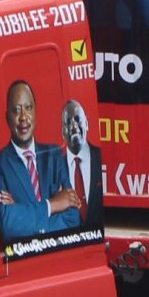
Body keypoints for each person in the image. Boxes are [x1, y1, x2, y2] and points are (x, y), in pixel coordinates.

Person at [0, 79, 82, 244]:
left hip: (58, 258)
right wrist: (52, 205)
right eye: (16, 110)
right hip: (22, 263)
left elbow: (73, 218)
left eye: (28, 108)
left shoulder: (55, 155)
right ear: (7, 117)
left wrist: (21, 210)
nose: (23, 117)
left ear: (36, 112)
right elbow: (7, 224)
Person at [60, 98, 104, 230]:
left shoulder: (101, 159)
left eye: (77, 119)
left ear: (87, 123)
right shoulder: (55, 169)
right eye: (68, 122)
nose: (73, 126)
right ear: (63, 132)